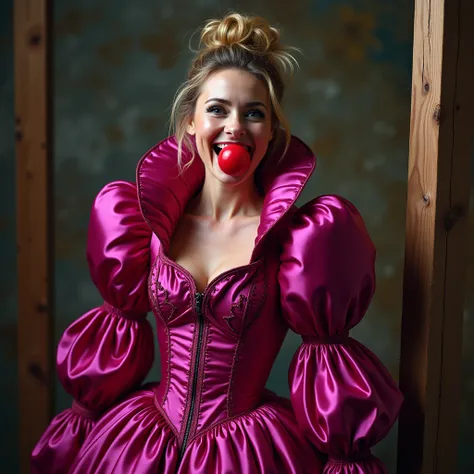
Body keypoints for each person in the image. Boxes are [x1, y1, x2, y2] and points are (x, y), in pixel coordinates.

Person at [31, 12, 402, 474]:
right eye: (218, 109)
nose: (235, 127)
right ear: (190, 122)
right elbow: (107, 361)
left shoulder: (301, 241)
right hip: (143, 447)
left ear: (271, 133)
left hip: (246, 455)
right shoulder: (144, 228)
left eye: (254, 113)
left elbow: (331, 377)